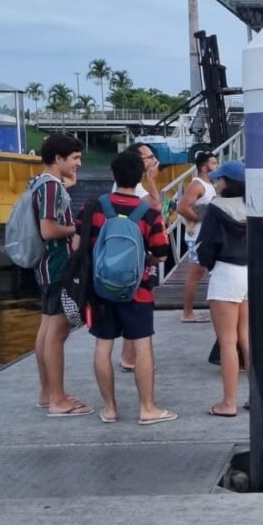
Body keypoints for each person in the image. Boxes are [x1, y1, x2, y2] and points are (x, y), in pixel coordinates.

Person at [80, 150, 176, 425]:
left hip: (100, 290)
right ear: (140, 177)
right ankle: (147, 409)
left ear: (113, 175)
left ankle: (110, 409)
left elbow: (78, 244)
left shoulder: (94, 206)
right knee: (142, 345)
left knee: (103, 345)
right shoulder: (148, 212)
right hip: (138, 290)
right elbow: (161, 253)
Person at [34, 133, 93, 416]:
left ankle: (48, 393)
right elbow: (48, 230)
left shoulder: (40, 182)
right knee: (57, 333)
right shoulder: (50, 189)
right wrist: (78, 229)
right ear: (58, 158)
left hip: (45, 267)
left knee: (47, 328)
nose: (79, 163)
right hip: (57, 265)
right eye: (74, 158)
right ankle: (58, 400)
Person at [196, 161, 249, 417]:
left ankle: (228, 403)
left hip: (226, 273)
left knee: (228, 342)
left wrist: (208, 263)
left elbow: (205, 246)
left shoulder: (216, 208)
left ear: (228, 183)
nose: (215, 183)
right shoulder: (253, 205)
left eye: (218, 180)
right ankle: (257, 398)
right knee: (246, 336)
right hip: (250, 273)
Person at [117, 143, 161, 372]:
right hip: (136, 260)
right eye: (149, 157)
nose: (154, 160)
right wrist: (152, 179)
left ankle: (128, 355)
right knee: (137, 310)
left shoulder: (119, 188)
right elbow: (155, 207)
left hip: (122, 258)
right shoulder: (136, 188)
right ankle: (130, 356)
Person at [176, 152, 218, 322]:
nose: (217, 166)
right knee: (195, 274)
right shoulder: (197, 184)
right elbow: (181, 207)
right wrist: (202, 220)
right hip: (197, 237)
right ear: (204, 167)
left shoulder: (210, 184)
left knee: (211, 273)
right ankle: (187, 313)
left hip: (207, 236)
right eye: (214, 163)